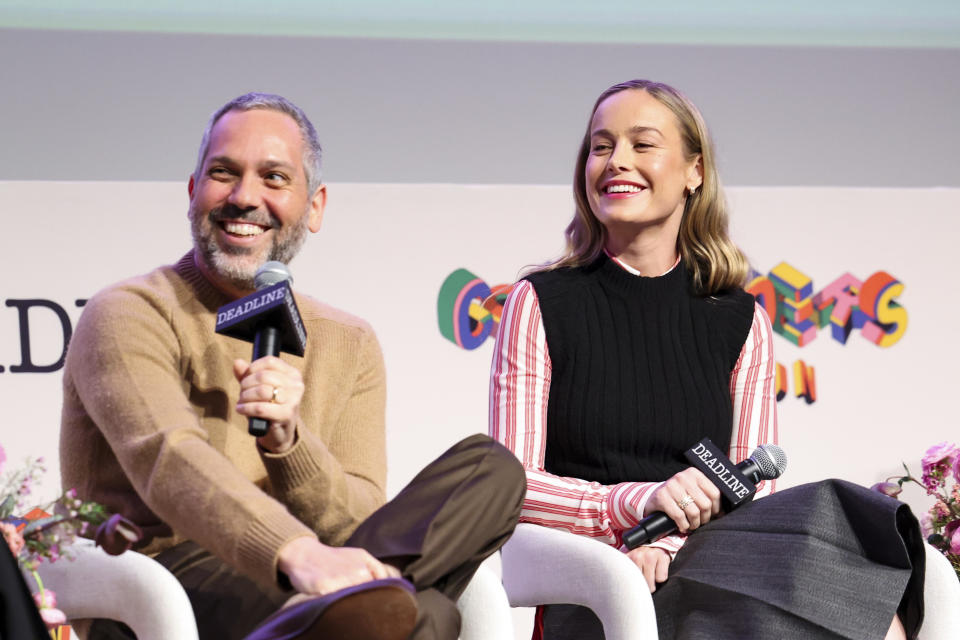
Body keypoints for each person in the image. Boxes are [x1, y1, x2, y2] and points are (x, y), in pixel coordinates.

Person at [60, 92, 525, 640]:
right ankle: (324, 615)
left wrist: (289, 444)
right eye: (223, 173)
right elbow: (170, 458)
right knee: (429, 615)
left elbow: (360, 521)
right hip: (167, 584)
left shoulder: (348, 341)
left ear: (315, 206)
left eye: (274, 178)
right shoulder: (130, 312)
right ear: (192, 193)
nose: (244, 196)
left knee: (491, 469)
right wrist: (294, 551)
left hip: (312, 573)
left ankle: (323, 615)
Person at [489, 79, 923, 640]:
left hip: (710, 557)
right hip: (599, 579)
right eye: (601, 146)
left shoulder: (740, 318)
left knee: (833, 511)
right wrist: (637, 509)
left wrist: (671, 539)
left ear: (694, 171)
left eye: (642, 144)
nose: (617, 161)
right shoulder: (540, 301)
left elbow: (754, 496)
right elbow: (512, 485)